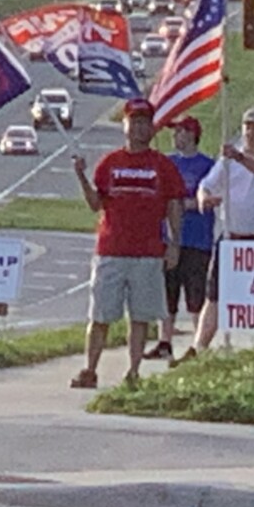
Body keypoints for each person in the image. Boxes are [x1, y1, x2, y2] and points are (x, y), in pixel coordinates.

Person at [69, 97, 185, 389]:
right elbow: (96, 204)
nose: (139, 128)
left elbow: (174, 204)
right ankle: (90, 369)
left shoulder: (162, 166)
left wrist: (174, 243)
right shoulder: (110, 163)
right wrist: (81, 176)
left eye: (145, 122)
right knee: (100, 315)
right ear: (125, 125)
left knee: (140, 316)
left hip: (147, 252)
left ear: (152, 128)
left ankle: (133, 371)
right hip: (111, 250)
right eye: (134, 121)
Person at [176, 107, 254, 364]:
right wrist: (205, 198)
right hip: (233, 236)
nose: (249, 132)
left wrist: (238, 157)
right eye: (247, 126)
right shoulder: (229, 160)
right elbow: (206, 184)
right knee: (214, 293)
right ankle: (199, 347)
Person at [144, 117, 217, 361]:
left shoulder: (208, 165)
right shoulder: (167, 163)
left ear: (191, 134)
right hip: (170, 238)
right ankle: (165, 341)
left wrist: (187, 204)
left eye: (180, 132)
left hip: (197, 240)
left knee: (196, 294)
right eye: (174, 132)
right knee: (168, 293)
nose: (175, 136)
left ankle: (199, 344)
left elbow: (213, 196)